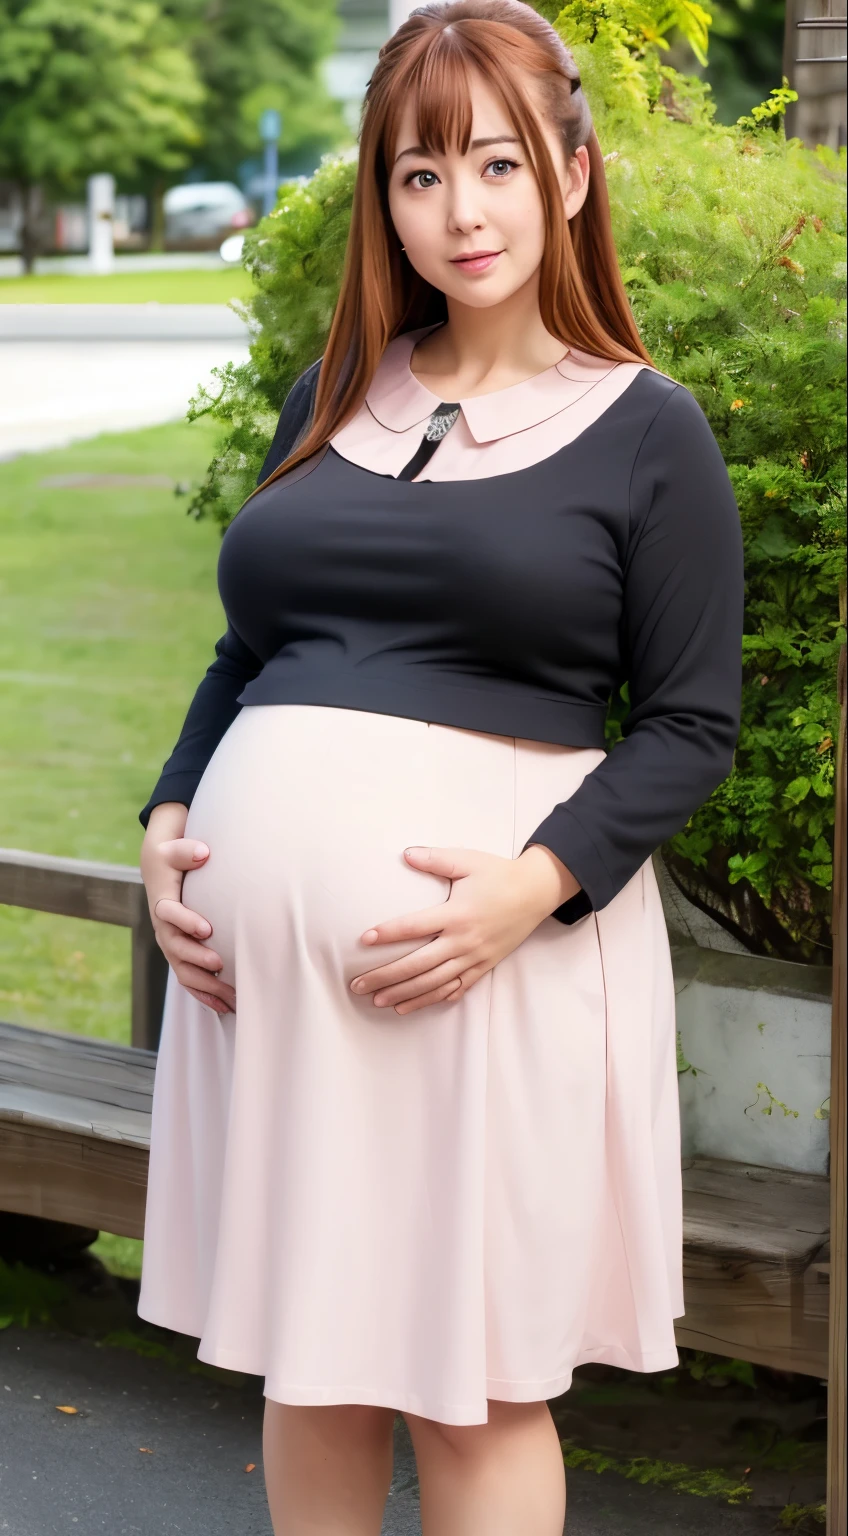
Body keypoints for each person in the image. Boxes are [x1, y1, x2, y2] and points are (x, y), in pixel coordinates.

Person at [136, 1, 744, 1530]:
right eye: (417, 173)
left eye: (495, 162)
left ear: (574, 175)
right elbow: (247, 653)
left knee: (471, 1388)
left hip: (483, 973)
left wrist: (529, 891)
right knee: (310, 1368)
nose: (458, 211)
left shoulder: (647, 433)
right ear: (382, 197)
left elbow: (690, 723)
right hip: (266, 996)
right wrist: (167, 817)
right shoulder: (339, 387)